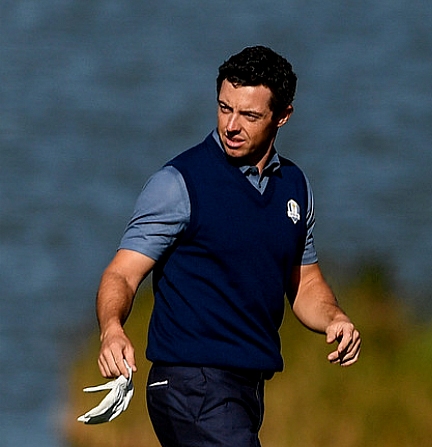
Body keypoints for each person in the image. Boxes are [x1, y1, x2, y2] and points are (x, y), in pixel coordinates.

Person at [94, 45, 361, 446]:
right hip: (190, 383)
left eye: (249, 115)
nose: (231, 125)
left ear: (282, 115)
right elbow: (122, 274)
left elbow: (305, 285)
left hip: (247, 389)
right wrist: (111, 328)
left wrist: (335, 318)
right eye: (224, 108)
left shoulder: (295, 186)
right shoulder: (178, 183)